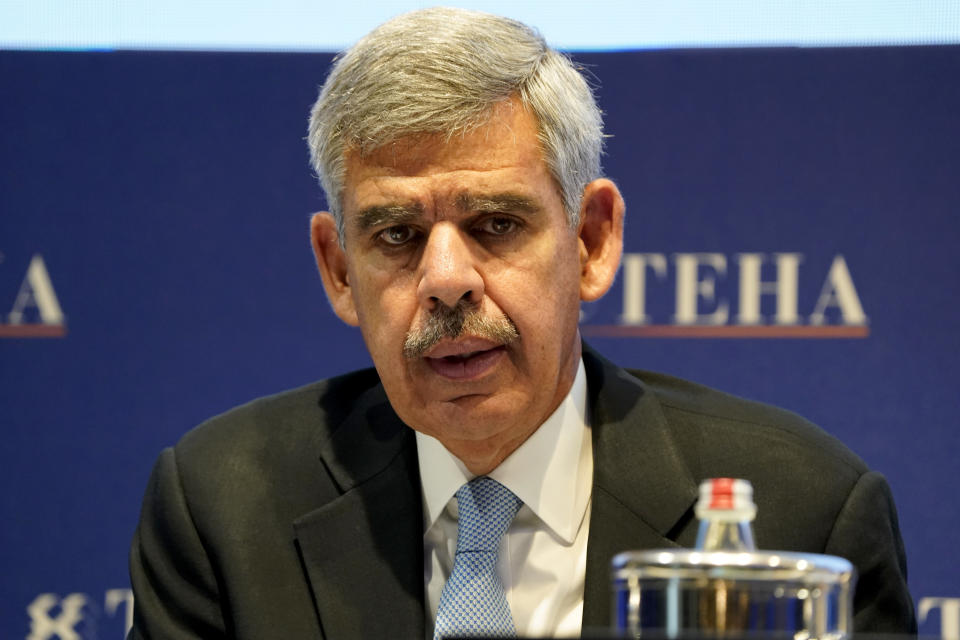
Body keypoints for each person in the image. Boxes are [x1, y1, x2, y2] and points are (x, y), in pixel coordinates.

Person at [128, 7, 915, 639]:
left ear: (592, 240)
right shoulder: (221, 509)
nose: (444, 281)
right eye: (396, 235)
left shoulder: (803, 514)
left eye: (497, 224)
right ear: (338, 269)